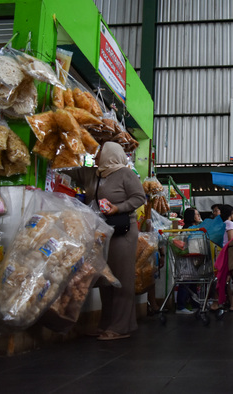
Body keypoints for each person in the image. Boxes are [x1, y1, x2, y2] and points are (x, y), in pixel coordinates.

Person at [63, 142, 146, 340]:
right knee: (105, 277)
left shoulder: (126, 174)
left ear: (110, 154)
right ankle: (107, 323)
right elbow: (68, 169)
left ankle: (121, 327)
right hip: (101, 231)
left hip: (122, 231)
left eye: (100, 151)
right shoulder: (92, 174)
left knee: (121, 277)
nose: (96, 154)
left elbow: (139, 197)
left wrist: (119, 207)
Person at [175, 207, 203, 314]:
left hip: (191, 261)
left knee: (192, 283)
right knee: (186, 282)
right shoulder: (188, 230)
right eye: (196, 214)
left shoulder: (193, 229)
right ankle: (181, 306)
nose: (198, 216)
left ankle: (195, 304)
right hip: (188, 261)